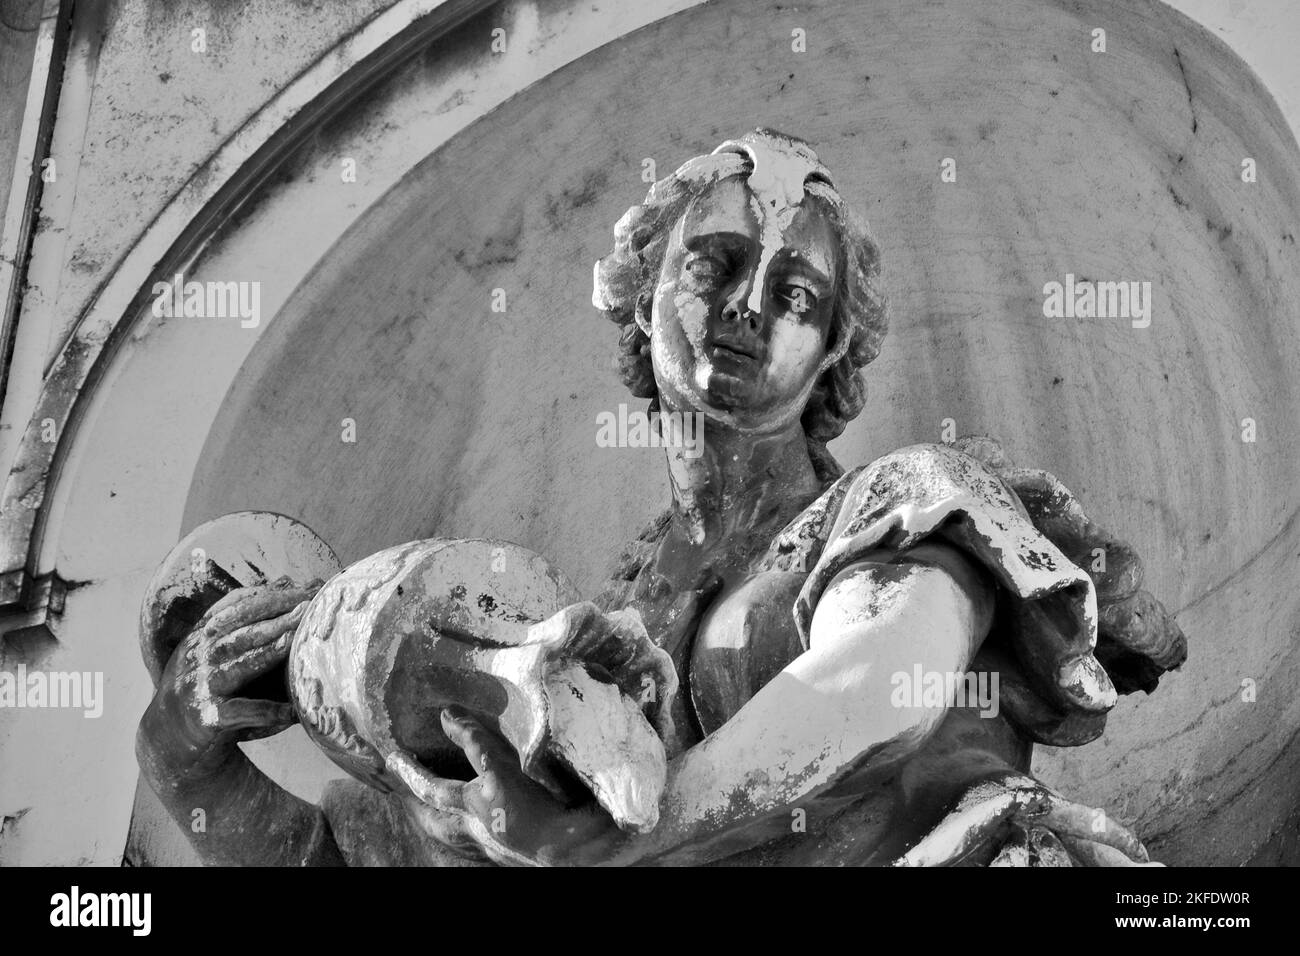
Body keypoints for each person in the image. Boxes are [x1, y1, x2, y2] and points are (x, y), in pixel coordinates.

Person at [136, 129, 1185, 866]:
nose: (746, 306)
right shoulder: (592, 636)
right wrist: (184, 756)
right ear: (642, 302)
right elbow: (378, 853)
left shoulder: (908, 498)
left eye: (795, 296)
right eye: (715, 263)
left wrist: (594, 845)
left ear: (830, 358)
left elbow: (877, 687)